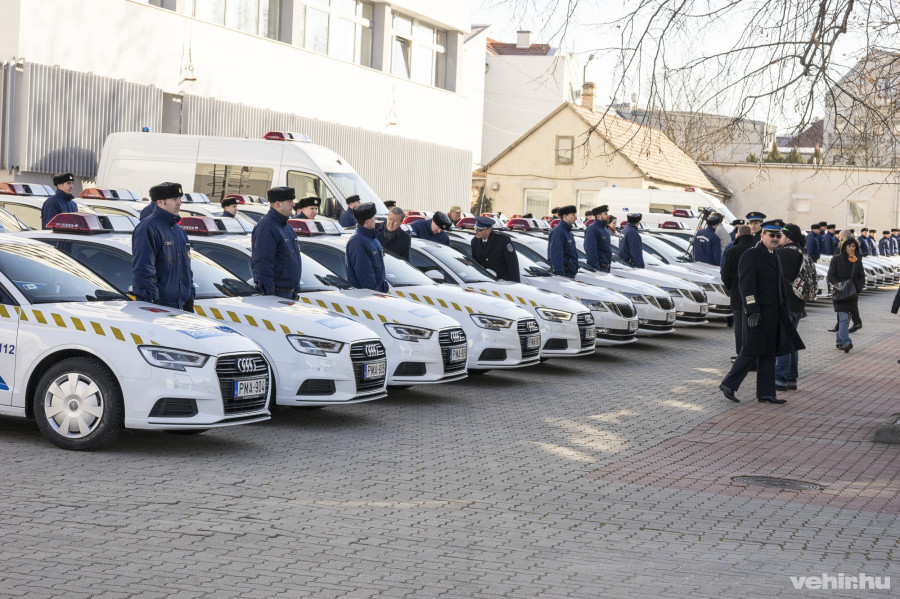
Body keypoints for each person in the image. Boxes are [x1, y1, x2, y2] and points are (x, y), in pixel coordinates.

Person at [719, 219, 804, 405]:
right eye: (771, 235)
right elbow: (746, 285)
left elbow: (779, 287)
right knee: (750, 351)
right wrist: (751, 309)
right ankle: (728, 384)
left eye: (778, 236)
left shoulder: (775, 255)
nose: (775, 238)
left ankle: (766, 393)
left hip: (773, 313)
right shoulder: (751, 255)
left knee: (768, 353)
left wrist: (783, 309)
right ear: (762, 235)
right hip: (757, 313)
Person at [131, 182, 195, 311]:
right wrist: (152, 302)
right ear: (160, 202)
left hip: (180, 307)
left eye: (179, 198)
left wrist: (189, 297)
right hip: (159, 308)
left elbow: (186, 268)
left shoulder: (178, 231)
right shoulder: (148, 228)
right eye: (174, 199)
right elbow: (144, 269)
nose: (179, 203)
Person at [251, 187, 302, 299]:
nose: (293, 204)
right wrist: (269, 295)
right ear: (278, 204)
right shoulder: (266, 227)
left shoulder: (287, 227)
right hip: (277, 295)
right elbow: (263, 263)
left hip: (288, 294)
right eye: (289, 201)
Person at [774, 224, 808, 391]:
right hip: (798, 303)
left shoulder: (782, 253)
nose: (778, 237)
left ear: (787, 237)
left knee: (784, 342)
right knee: (792, 340)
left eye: (781, 235)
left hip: (785, 303)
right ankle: (791, 378)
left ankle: (780, 378)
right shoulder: (802, 252)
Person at [721, 225, 755, 359]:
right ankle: (752, 352)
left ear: (738, 235)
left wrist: (731, 287)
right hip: (753, 295)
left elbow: (725, 274)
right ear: (751, 234)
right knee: (753, 324)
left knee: (739, 325)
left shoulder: (732, 251)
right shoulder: (757, 249)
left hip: (737, 293)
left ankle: (741, 354)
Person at [827, 237, 865, 353]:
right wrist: (839, 286)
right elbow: (830, 275)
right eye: (849, 246)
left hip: (852, 294)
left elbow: (861, 276)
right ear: (844, 247)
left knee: (846, 319)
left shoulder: (857, 260)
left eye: (853, 246)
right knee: (843, 318)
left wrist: (858, 287)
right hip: (840, 294)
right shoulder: (837, 259)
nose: (851, 248)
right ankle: (846, 342)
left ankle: (839, 341)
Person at [346, 202, 388, 292]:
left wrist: (384, 287)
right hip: (369, 296)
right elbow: (364, 274)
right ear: (368, 222)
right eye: (373, 217)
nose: (375, 219)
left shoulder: (372, 238)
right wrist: (375, 295)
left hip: (378, 294)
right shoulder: (357, 241)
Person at [471, 216, 520, 282]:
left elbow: (512, 263)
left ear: (488, 230)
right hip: (485, 281)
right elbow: (476, 264)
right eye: (475, 228)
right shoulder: (475, 241)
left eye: (480, 230)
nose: (476, 232)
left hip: (503, 281)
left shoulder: (503, 240)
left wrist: (515, 282)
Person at [547, 205, 579, 278]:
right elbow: (556, 256)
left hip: (570, 274)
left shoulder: (568, 232)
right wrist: (560, 276)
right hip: (564, 275)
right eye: (573, 214)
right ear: (565, 216)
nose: (576, 217)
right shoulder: (558, 232)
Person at [583, 205, 612, 272]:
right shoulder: (592, 229)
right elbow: (591, 252)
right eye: (605, 214)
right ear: (598, 216)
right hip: (599, 268)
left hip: (606, 267)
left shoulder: (605, 229)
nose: (608, 216)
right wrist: (596, 270)